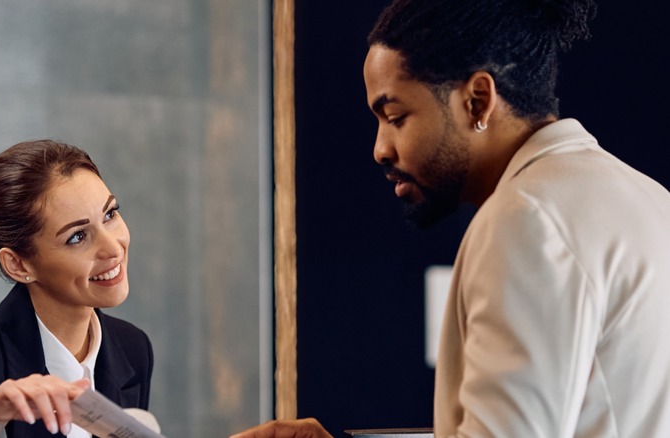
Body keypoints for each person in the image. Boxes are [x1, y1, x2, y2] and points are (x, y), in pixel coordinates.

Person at [232, 0, 670, 436]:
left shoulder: (524, 221)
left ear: (478, 101)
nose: (380, 148)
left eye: (396, 117)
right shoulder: (650, 199)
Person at [0, 140, 153, 437]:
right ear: (19, 265)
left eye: (110, 214)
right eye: (77, 236)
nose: (113, 248)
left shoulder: (132, 347)